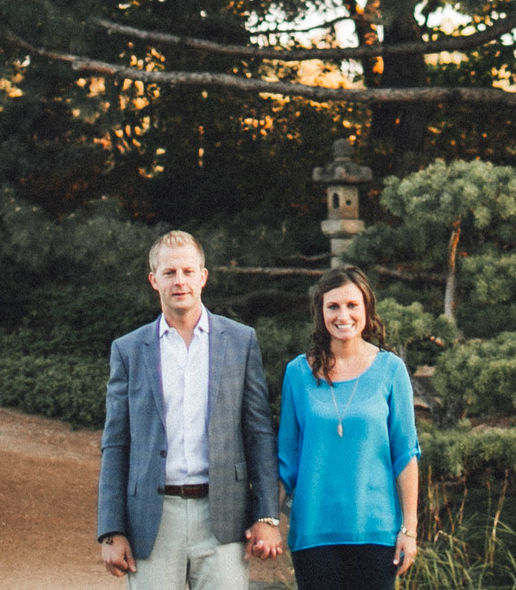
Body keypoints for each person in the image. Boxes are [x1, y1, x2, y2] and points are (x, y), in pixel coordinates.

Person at [98, 230, 284, 587]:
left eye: (187, 271)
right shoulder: (129, 350)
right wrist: (111, 530)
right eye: (169, 273)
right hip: (152, 520)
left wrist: (266, 516)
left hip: (224, 518)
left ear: (203, 276)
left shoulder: (240, 342)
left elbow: (258, 432)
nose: (179, 281)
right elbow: (115, 443)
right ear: (154, 280)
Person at [276, 265, 420, 588]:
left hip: (376, 532)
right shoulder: (298, 374)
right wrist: (268, 521)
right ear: (321, 312)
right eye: (333, 306)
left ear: (366, 309)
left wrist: (408, 529)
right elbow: (286, 460)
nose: (343, 315)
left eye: (352, 305)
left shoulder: (391, 370)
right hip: (314, 533)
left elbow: (406, 455)